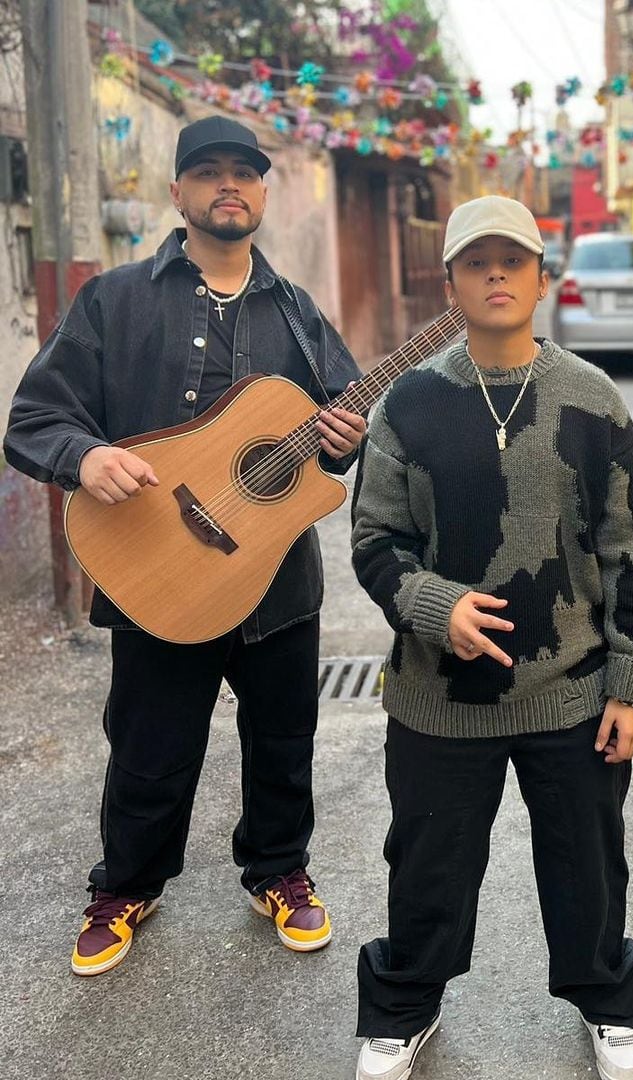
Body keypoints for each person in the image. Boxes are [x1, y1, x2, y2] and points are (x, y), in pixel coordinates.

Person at [4, 116, 366, 975]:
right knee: (150, 743)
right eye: (207, 171)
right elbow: (33, 419)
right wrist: (85, 456)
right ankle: (127, 884)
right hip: (154, 570)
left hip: (273, 576)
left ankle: (278, 869)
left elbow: (349, 412)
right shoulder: (114, 300)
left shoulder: (299, 312)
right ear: (179, 192)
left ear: (264, 193)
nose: (227, 185)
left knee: (284, 737)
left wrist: (347, 437)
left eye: (244, 172)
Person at [350, 195, 633, 1080]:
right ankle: (402, 1008)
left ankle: (608, 1002)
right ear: (449, 280)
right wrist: (429, 605)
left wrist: (631, 686)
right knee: (426, 868)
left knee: (589, 867)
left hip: (570, 688)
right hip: (436, 698)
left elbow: (627, 550)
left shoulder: (592, 399)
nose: (496, 273)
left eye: (513, 259)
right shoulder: (408, 403)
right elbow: (374, 540)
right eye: (477, 260)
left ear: (540, 276)